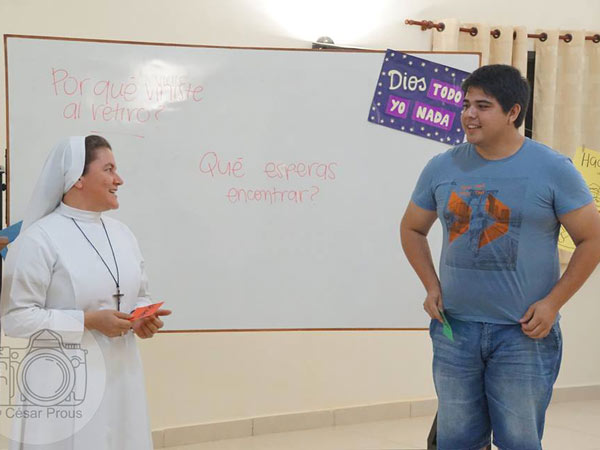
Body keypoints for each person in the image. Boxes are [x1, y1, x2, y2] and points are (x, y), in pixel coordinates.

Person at [400, 65, 600, 450]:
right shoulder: (441, 167)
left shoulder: (553, 169)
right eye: (465, 105)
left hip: (523, 335)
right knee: (456, 440)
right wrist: (430, 285)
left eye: (483, 106)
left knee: (519, 441)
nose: (469, 115)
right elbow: (411, 229)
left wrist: (553, 303)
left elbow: (592, 239)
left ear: (513, 112)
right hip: (455, 330)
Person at [0, 135, 171, 449]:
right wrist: (88, 321)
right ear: (77, 178)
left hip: (121, 376)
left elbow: (139, 294)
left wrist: (140, 317)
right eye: (108, 169)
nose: (119, 179)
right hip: (61, 384)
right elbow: (16, 319)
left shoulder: (123, 235)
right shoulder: (38, 239)